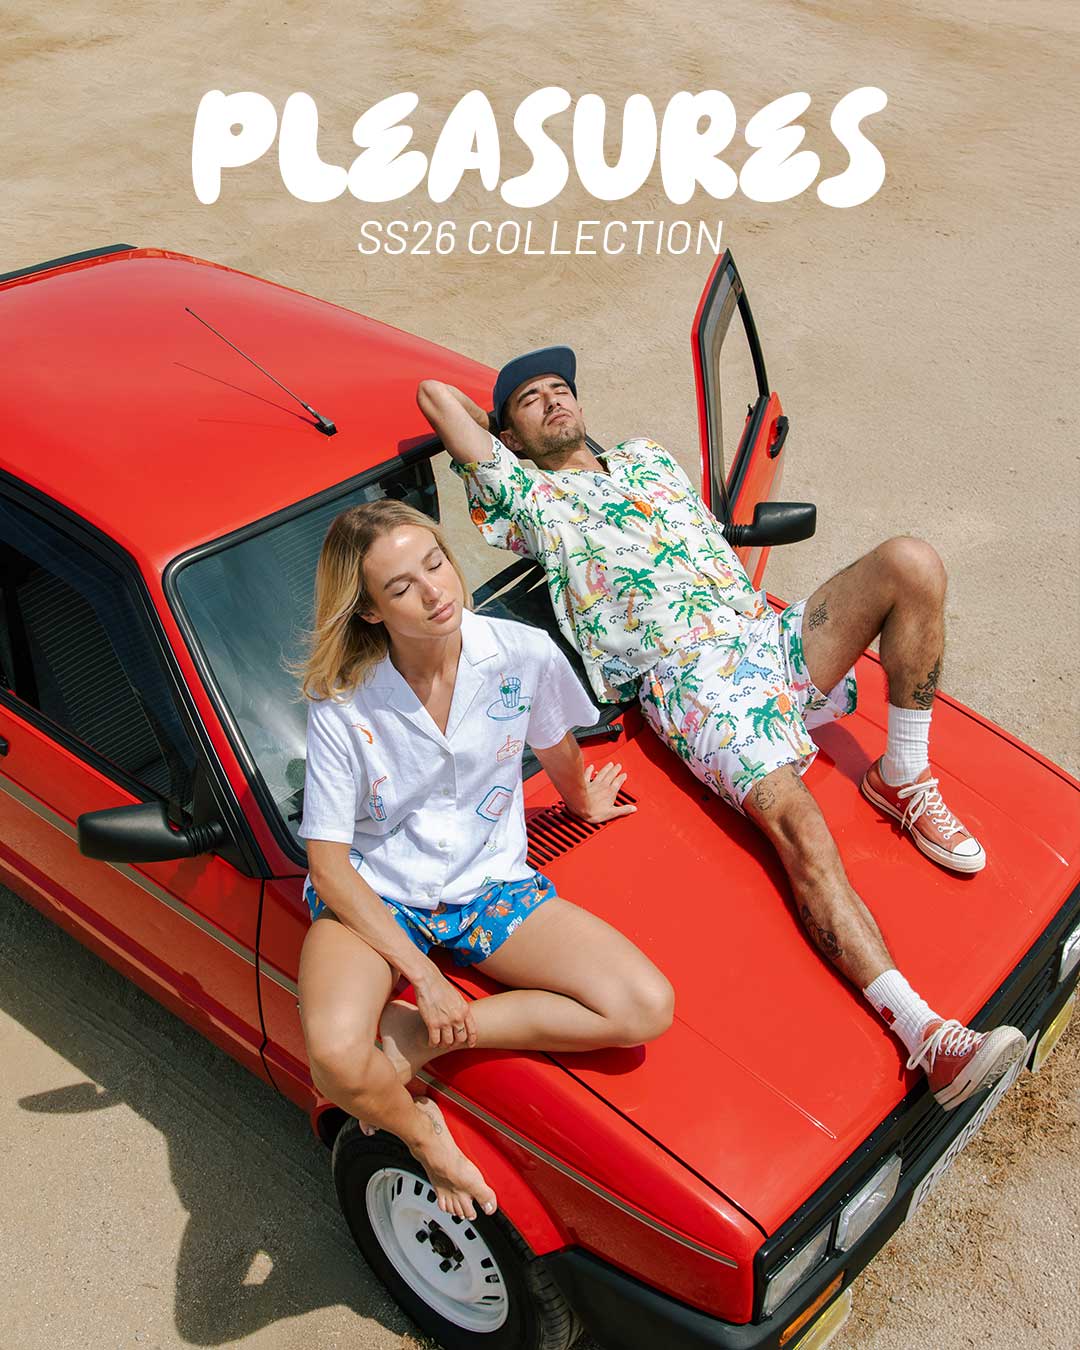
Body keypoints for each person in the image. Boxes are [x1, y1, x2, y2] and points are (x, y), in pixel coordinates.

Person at [417, 348, 1027, 1112]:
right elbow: (434, 396)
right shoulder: (532, 501)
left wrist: (520, 409)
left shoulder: (644, 457)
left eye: (560, 389)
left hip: (762, 634)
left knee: (912, 562)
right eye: (530, 400)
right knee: (800, 827)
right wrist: (497, 427)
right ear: (508, 433)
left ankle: (902, 772)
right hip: (695, 683)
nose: (553, 401)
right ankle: (928, 1037)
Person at [293, 497, 674, 1222]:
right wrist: (424, 976)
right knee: (337, 1060)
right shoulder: (342, 703)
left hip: (490, 883)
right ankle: (424, 1134)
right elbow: (330, 868)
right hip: (381, 889)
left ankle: (418, 1039)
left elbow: (552, 735)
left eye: (435, 563)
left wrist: (580, 799)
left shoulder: (519, 653)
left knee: (644, 1006)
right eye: (402, 586)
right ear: (370, 610)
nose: (435, 591)